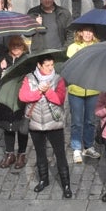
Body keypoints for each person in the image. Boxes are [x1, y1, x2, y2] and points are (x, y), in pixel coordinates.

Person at [19, 55, 71, 197]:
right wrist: (38, 92)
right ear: (39, 65)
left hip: (54, 123)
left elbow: (59, 99)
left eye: (52, 65)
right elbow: (23, 96)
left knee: (60, 154)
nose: (50, 68)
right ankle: (43, 180)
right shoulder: (29, 78)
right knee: (40, 153)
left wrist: (47, 91)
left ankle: (66, 184)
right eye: (47, 65)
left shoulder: (58, 79)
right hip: (36, 123)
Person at [64, 26, 100, 164]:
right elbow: (72, 66)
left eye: (90, 31)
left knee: (90, 120)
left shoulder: (98, 47)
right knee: (77, 121)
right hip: (76, 89)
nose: (87, 34)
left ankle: (89, 145)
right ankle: (76, 148)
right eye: (85, 31)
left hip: (93, 89)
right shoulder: (73, 47)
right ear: (79, 32)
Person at [0, 36, 30, 171]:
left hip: (21, 98)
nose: (16, 48)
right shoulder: (2, 59)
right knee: (7, 127)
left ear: (23, 47)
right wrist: (2, 71)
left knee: (22, 127)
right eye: (13, 45)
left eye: (19, 45)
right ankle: (10, 153)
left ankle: (21, 154)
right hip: (5, 98)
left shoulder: (27, 60)